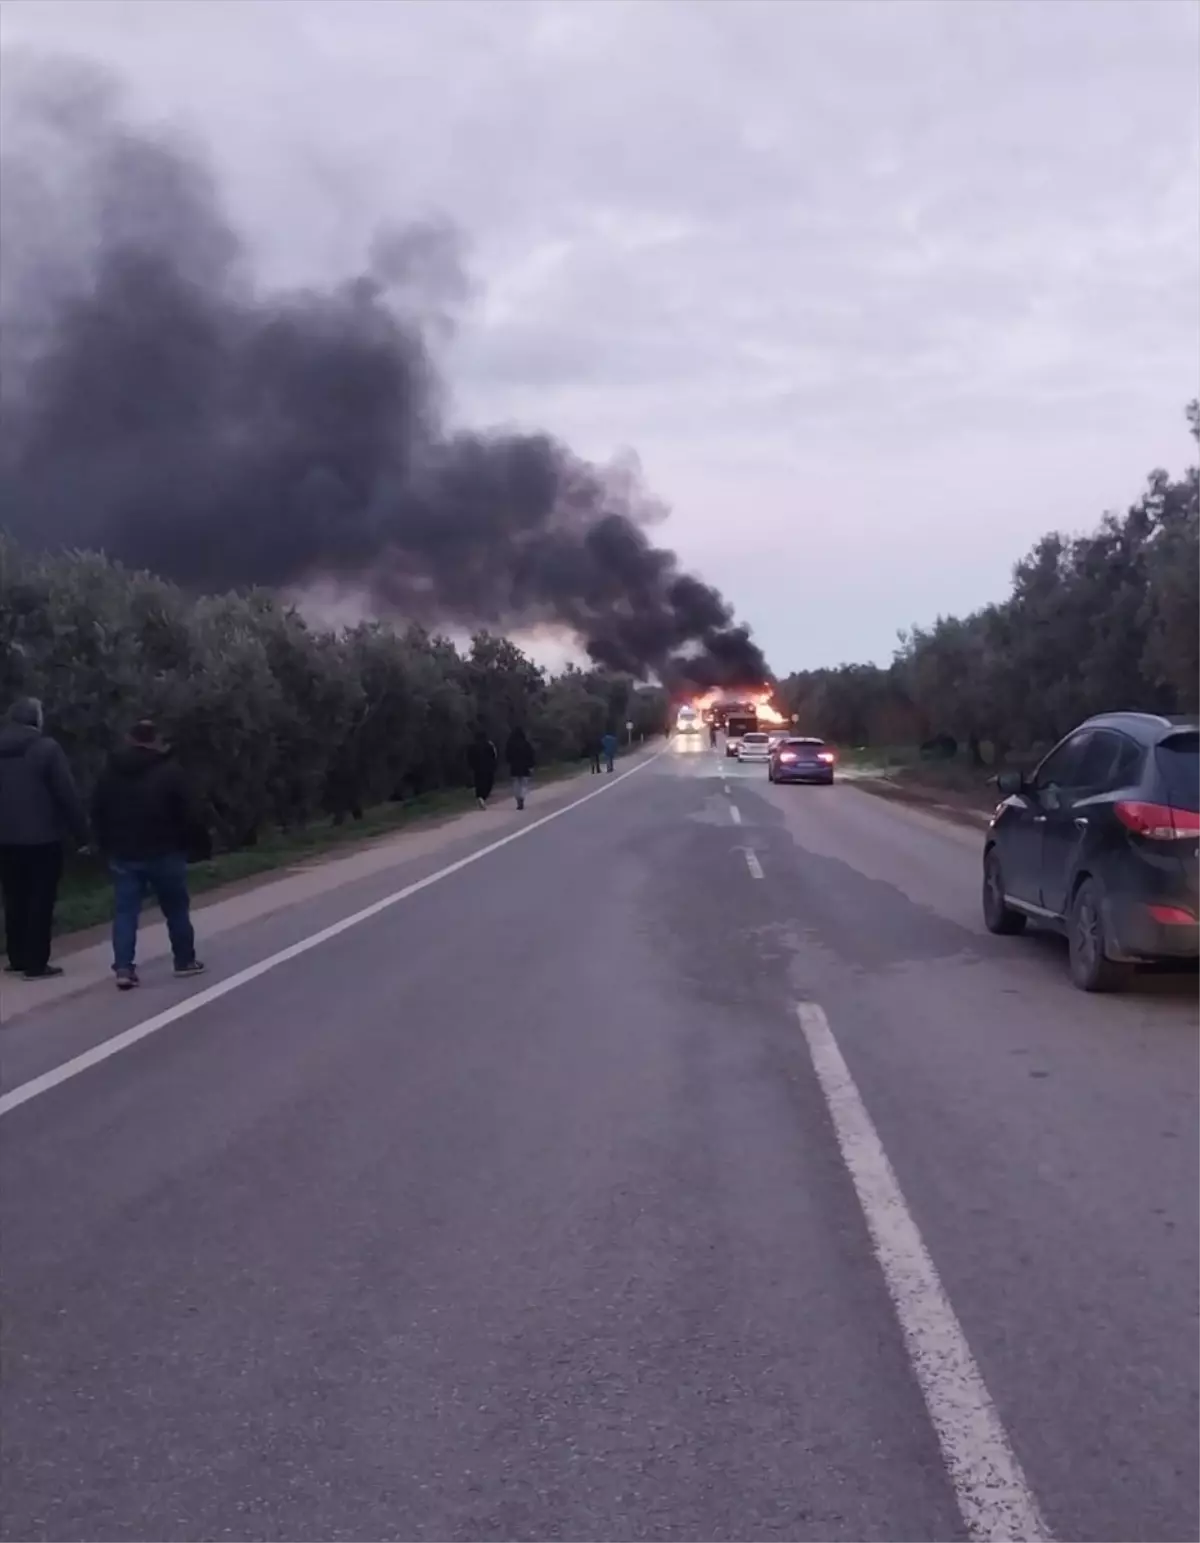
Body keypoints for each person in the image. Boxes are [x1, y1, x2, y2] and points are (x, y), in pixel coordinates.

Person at [91, 718, 206, 990]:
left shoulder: (110, 773)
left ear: (129, 739)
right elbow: (189, 813)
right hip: (166, 851)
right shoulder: (170, 772)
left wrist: (103, 844)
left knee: (126, 912)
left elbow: (97, 811)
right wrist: (195, 845)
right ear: (155, 740)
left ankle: (123, 968)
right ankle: (184, 961)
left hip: (124, 853)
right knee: (176, 908)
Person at [0, 697, 89, 980]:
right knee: (40, 899)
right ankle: (36, 963)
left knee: (13, 897)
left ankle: (17, 957)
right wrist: (82, 834)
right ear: (35, 719)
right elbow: (66, 794)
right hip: (42, 837)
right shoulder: (47, 749)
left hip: (5, 839)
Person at [505, 725, 535, 810]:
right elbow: (531, 755)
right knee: (524, 784)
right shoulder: (526, 744)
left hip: (514, 766)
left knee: (515, 784)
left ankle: (518, 798)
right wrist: (531, 766)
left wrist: (509, 762)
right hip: (525, 767)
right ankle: (522, 798)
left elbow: (507, 756)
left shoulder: (510, 744)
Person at [467, 728, 499, 808]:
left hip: (477, 768)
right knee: (488, 783)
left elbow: (469, 757)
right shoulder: (489, 745)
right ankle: (483, 797)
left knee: (478, 783)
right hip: (488, 767)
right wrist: (494, 765)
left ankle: (479, 797)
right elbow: (494, 755)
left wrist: (471, 766)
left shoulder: (472, 746)